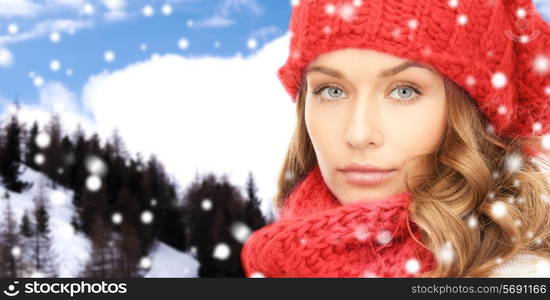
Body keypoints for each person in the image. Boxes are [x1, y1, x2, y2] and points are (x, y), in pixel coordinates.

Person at [240, 0, 550, 277]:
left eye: (405, 91)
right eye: (332, 90)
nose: (359, 134)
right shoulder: (286, 259)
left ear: (472, 112)